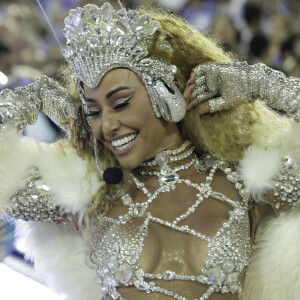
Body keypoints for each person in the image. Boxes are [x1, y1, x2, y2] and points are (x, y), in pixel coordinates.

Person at [0, 2, 299, 300]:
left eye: (120, 103)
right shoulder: (92, 192)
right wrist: (35, 97)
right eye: (93, 112)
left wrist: (259, 84)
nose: (108, 125)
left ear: (164, 92)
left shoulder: (243, 181)